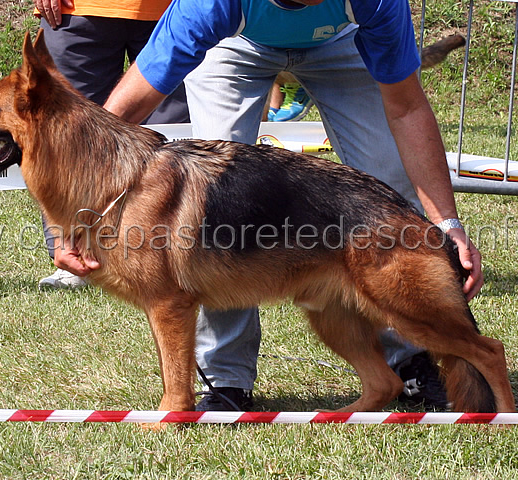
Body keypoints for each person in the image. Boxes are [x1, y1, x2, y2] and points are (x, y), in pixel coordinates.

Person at [54, 0, 484, 411]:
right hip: (234, 44)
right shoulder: (210, 5)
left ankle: (409, 360)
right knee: (215, 209)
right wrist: (79, 223)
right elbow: (122, 113)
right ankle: (225, 379)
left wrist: (446, 222)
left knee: (388, 188)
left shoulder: (374, 2)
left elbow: (407, 108)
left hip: (344, 42)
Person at [34, 0, 190, 290]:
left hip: (179, 11)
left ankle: (169, 254)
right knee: (65, 132)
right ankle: (76, 258)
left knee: (173, 146)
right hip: (79, 9)